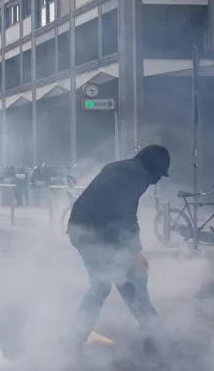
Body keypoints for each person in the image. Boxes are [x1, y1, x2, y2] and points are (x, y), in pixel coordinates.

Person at [66, 144, 170, 355]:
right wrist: (135, 252)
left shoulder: (121, 168)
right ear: (154, 168)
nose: (157, 180)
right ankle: (155, 337)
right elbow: (124, 215)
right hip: (94, 233)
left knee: (105, 286)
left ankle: (75, 338)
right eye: (159, 174)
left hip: (83, 230)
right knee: (126, 283)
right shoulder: (137, 177)